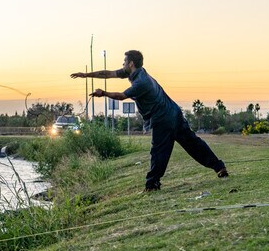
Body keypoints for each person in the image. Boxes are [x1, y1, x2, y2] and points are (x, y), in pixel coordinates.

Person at [71, 50, 228, 191]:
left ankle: (152, 184)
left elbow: (121, 96)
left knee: (159, 151)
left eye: (124, 62)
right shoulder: (137, 73)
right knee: (193, 143)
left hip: (163, 118)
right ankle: (219, 167)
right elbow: (108, 73)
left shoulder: (142, 82)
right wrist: (86, 75)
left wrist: (103, 93)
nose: (122, 64)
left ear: (131, 63)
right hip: (173, 112)